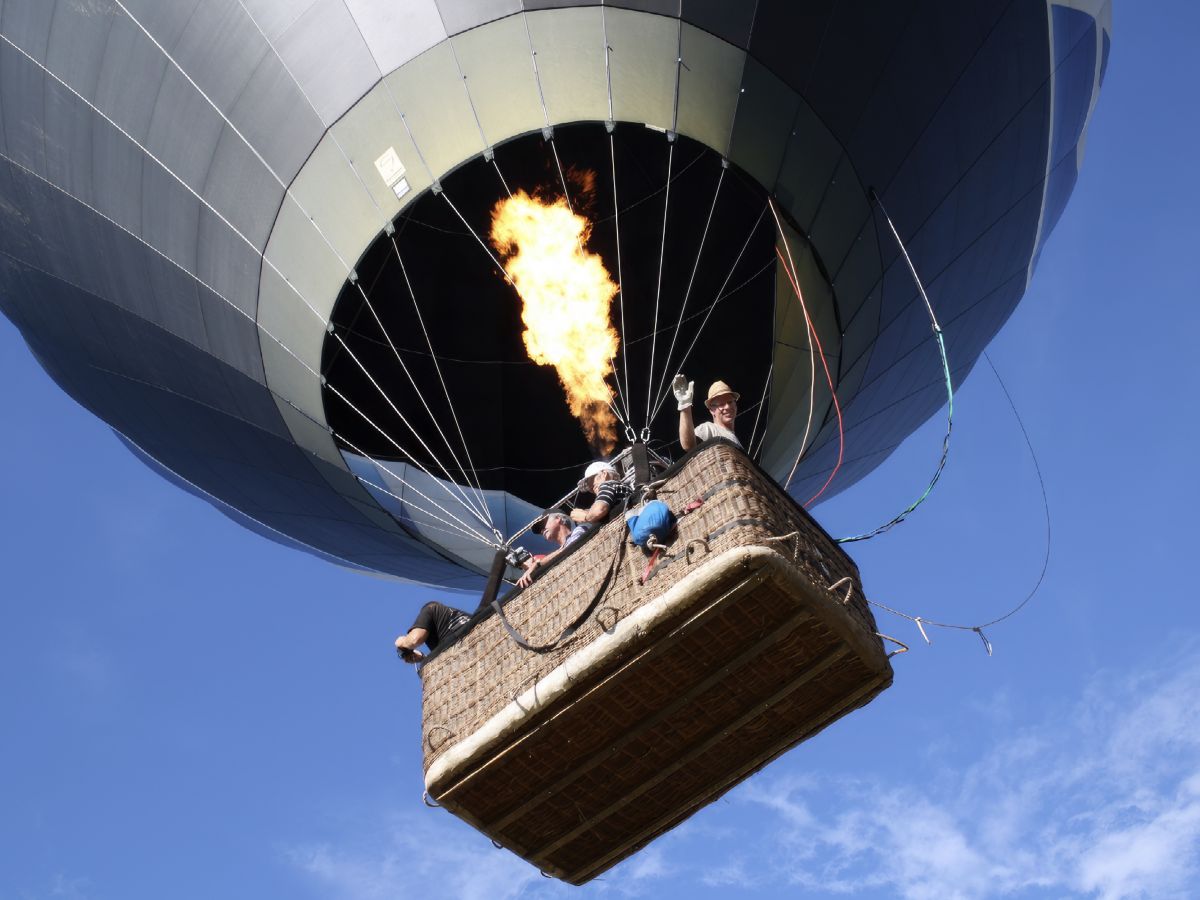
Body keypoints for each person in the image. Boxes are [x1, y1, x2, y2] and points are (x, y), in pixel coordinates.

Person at [516, 510, 589, 589]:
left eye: (543, 524)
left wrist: (538, 564)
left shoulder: (579, 530)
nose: (542, 530)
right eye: (540, 529)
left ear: (558, 518)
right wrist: (531, 569)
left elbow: (573, 546)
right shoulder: (556, 554)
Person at [674, 375, 743, 451]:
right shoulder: (709, 428)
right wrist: (685, 406)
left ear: (735, 405)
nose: (727, 407)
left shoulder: (738, 442)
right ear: (712, 410)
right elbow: (688, 445)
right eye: (721, 404)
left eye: (730, 402)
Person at [395, 601, 471, 663]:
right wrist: (423, 658)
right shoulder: (466, 618)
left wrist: (403, 643)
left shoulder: (429, 609)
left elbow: (415, 640)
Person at [570, 460, 632, 528]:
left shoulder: (608, 485)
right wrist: (588, 512)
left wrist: (585, 517)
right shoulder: (621, 487)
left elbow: (599, 510)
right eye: (588, 486)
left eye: (592, 480)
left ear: (604, 474)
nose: (591, 488)